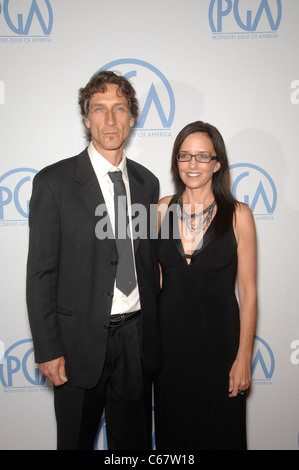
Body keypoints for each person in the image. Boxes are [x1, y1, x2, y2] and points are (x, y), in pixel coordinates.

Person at [26, 71, 161, 450]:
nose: (110, 119)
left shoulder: (148, 184)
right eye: (99, 109)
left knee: (133, 449)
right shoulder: (53, 183)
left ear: (132, 118)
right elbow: (40, 273)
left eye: (119, 108)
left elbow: (147, 261)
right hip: (77, 345)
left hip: (136, 342)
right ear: (86, 119)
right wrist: (49, 348)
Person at [154, 121, 257, 450]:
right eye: (184, 156)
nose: (192, 164)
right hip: (169, 352)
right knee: (175, 439)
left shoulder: (240, 215)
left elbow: (250, 294)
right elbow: (148, 279)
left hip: (220, 351)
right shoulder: (158, 210)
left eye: (202, 156)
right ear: (176, 162)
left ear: (217, 164)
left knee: (221, 435)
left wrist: (243, 359)